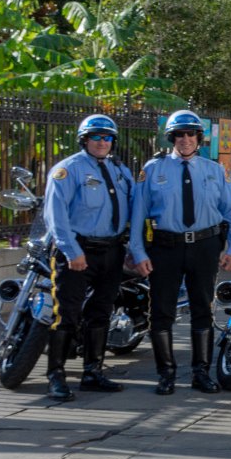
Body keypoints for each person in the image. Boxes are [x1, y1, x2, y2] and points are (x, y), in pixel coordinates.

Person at [129, 110, 231, 395]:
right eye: (179, 134)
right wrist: (139, 252)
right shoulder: (153, 170)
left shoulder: (215, 170)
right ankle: (166, 373)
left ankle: (200, 372)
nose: (185, 140)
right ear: (171, 138)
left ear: (199, 138)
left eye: (191, 134)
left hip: (204, 246)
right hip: (165, 246)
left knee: (202, 308)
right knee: (162, 311)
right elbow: (138, 215)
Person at [40, 114, 138, 401]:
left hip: (111, 250)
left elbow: (133, 208)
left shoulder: (120, 170)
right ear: (84, 139)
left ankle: (92, 372)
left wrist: (133, 248)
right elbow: (56, 217)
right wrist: (73, 252)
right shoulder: (67, 170)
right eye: (95, 137)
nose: (101, 142)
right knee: (66, 314)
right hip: (78, 252)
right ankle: (56, 376)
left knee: (101, 311)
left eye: (107, 137)